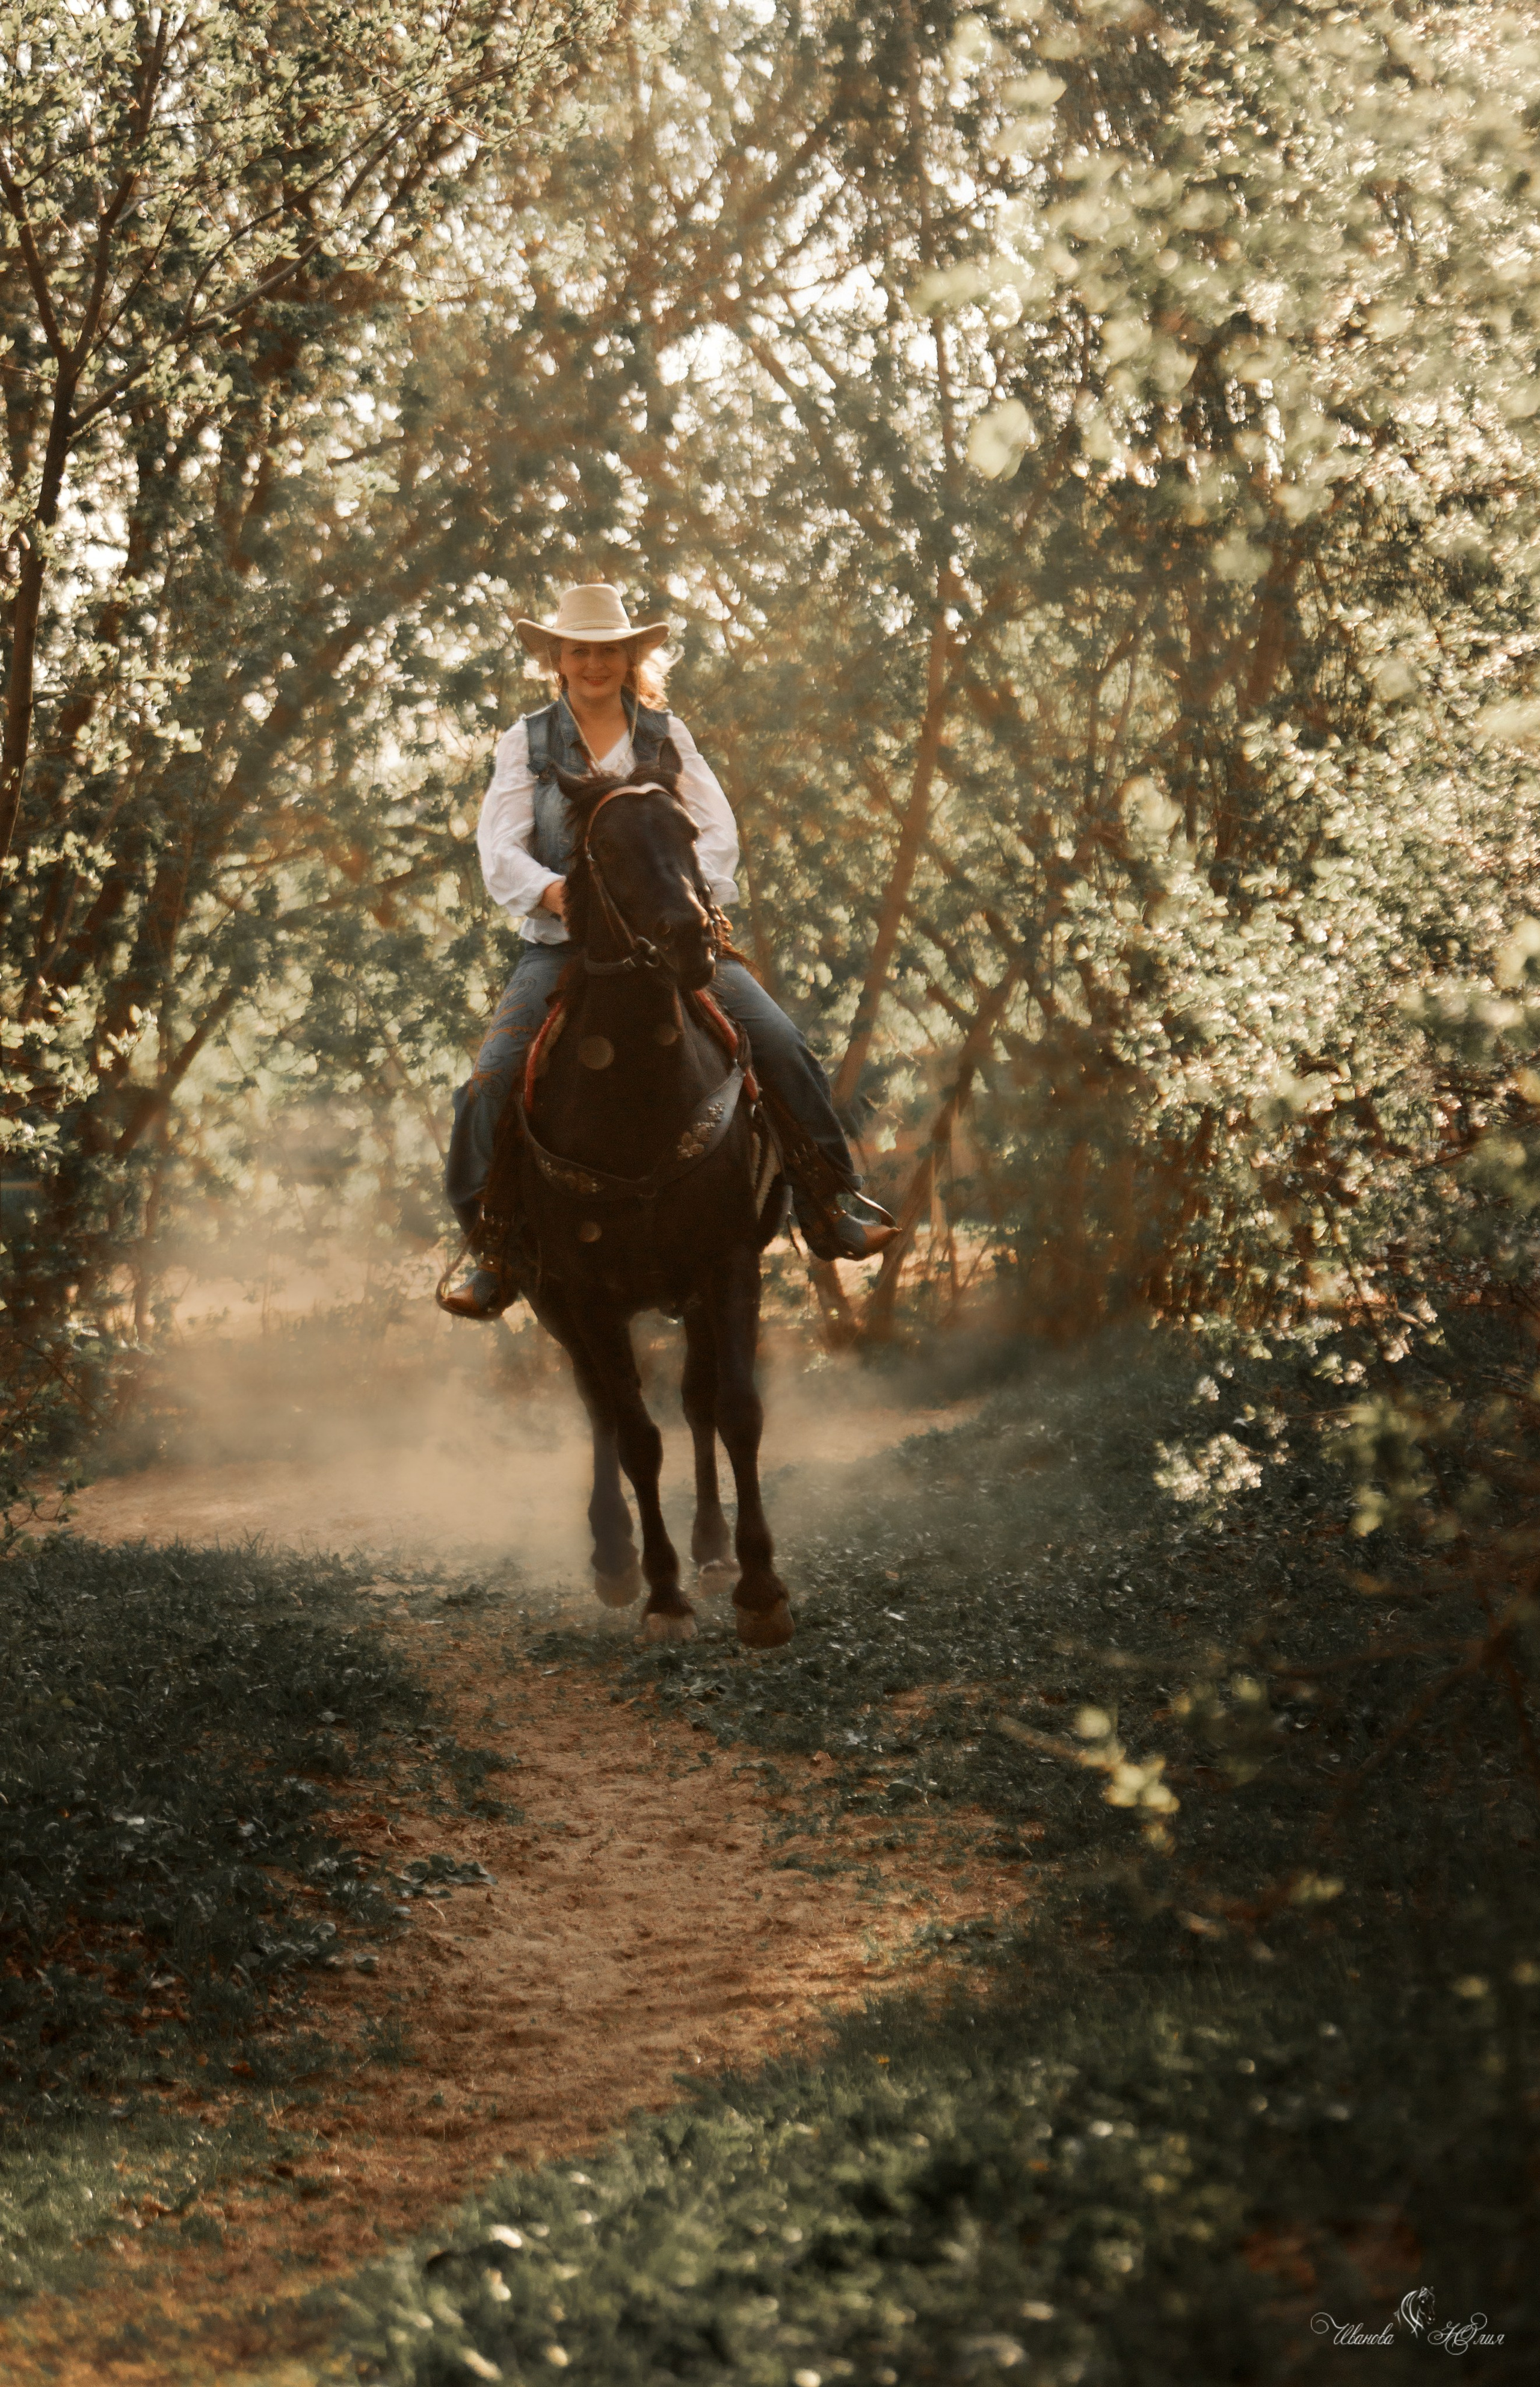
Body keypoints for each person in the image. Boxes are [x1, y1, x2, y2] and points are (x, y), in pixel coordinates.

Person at [440, 583, 896, 1317]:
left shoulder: (664, 734)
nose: (594, 663)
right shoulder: (523, 743)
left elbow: (716, 832)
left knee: (779, 1041)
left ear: (629, 658)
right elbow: (500, 848)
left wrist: (684, 904)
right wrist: (558, 895)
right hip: (564, 948)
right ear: (558, 658)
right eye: (580, 650)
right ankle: (492, 1250)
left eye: (608, 651)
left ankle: (828, 1201)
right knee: (490, 1081)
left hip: (675, 939)